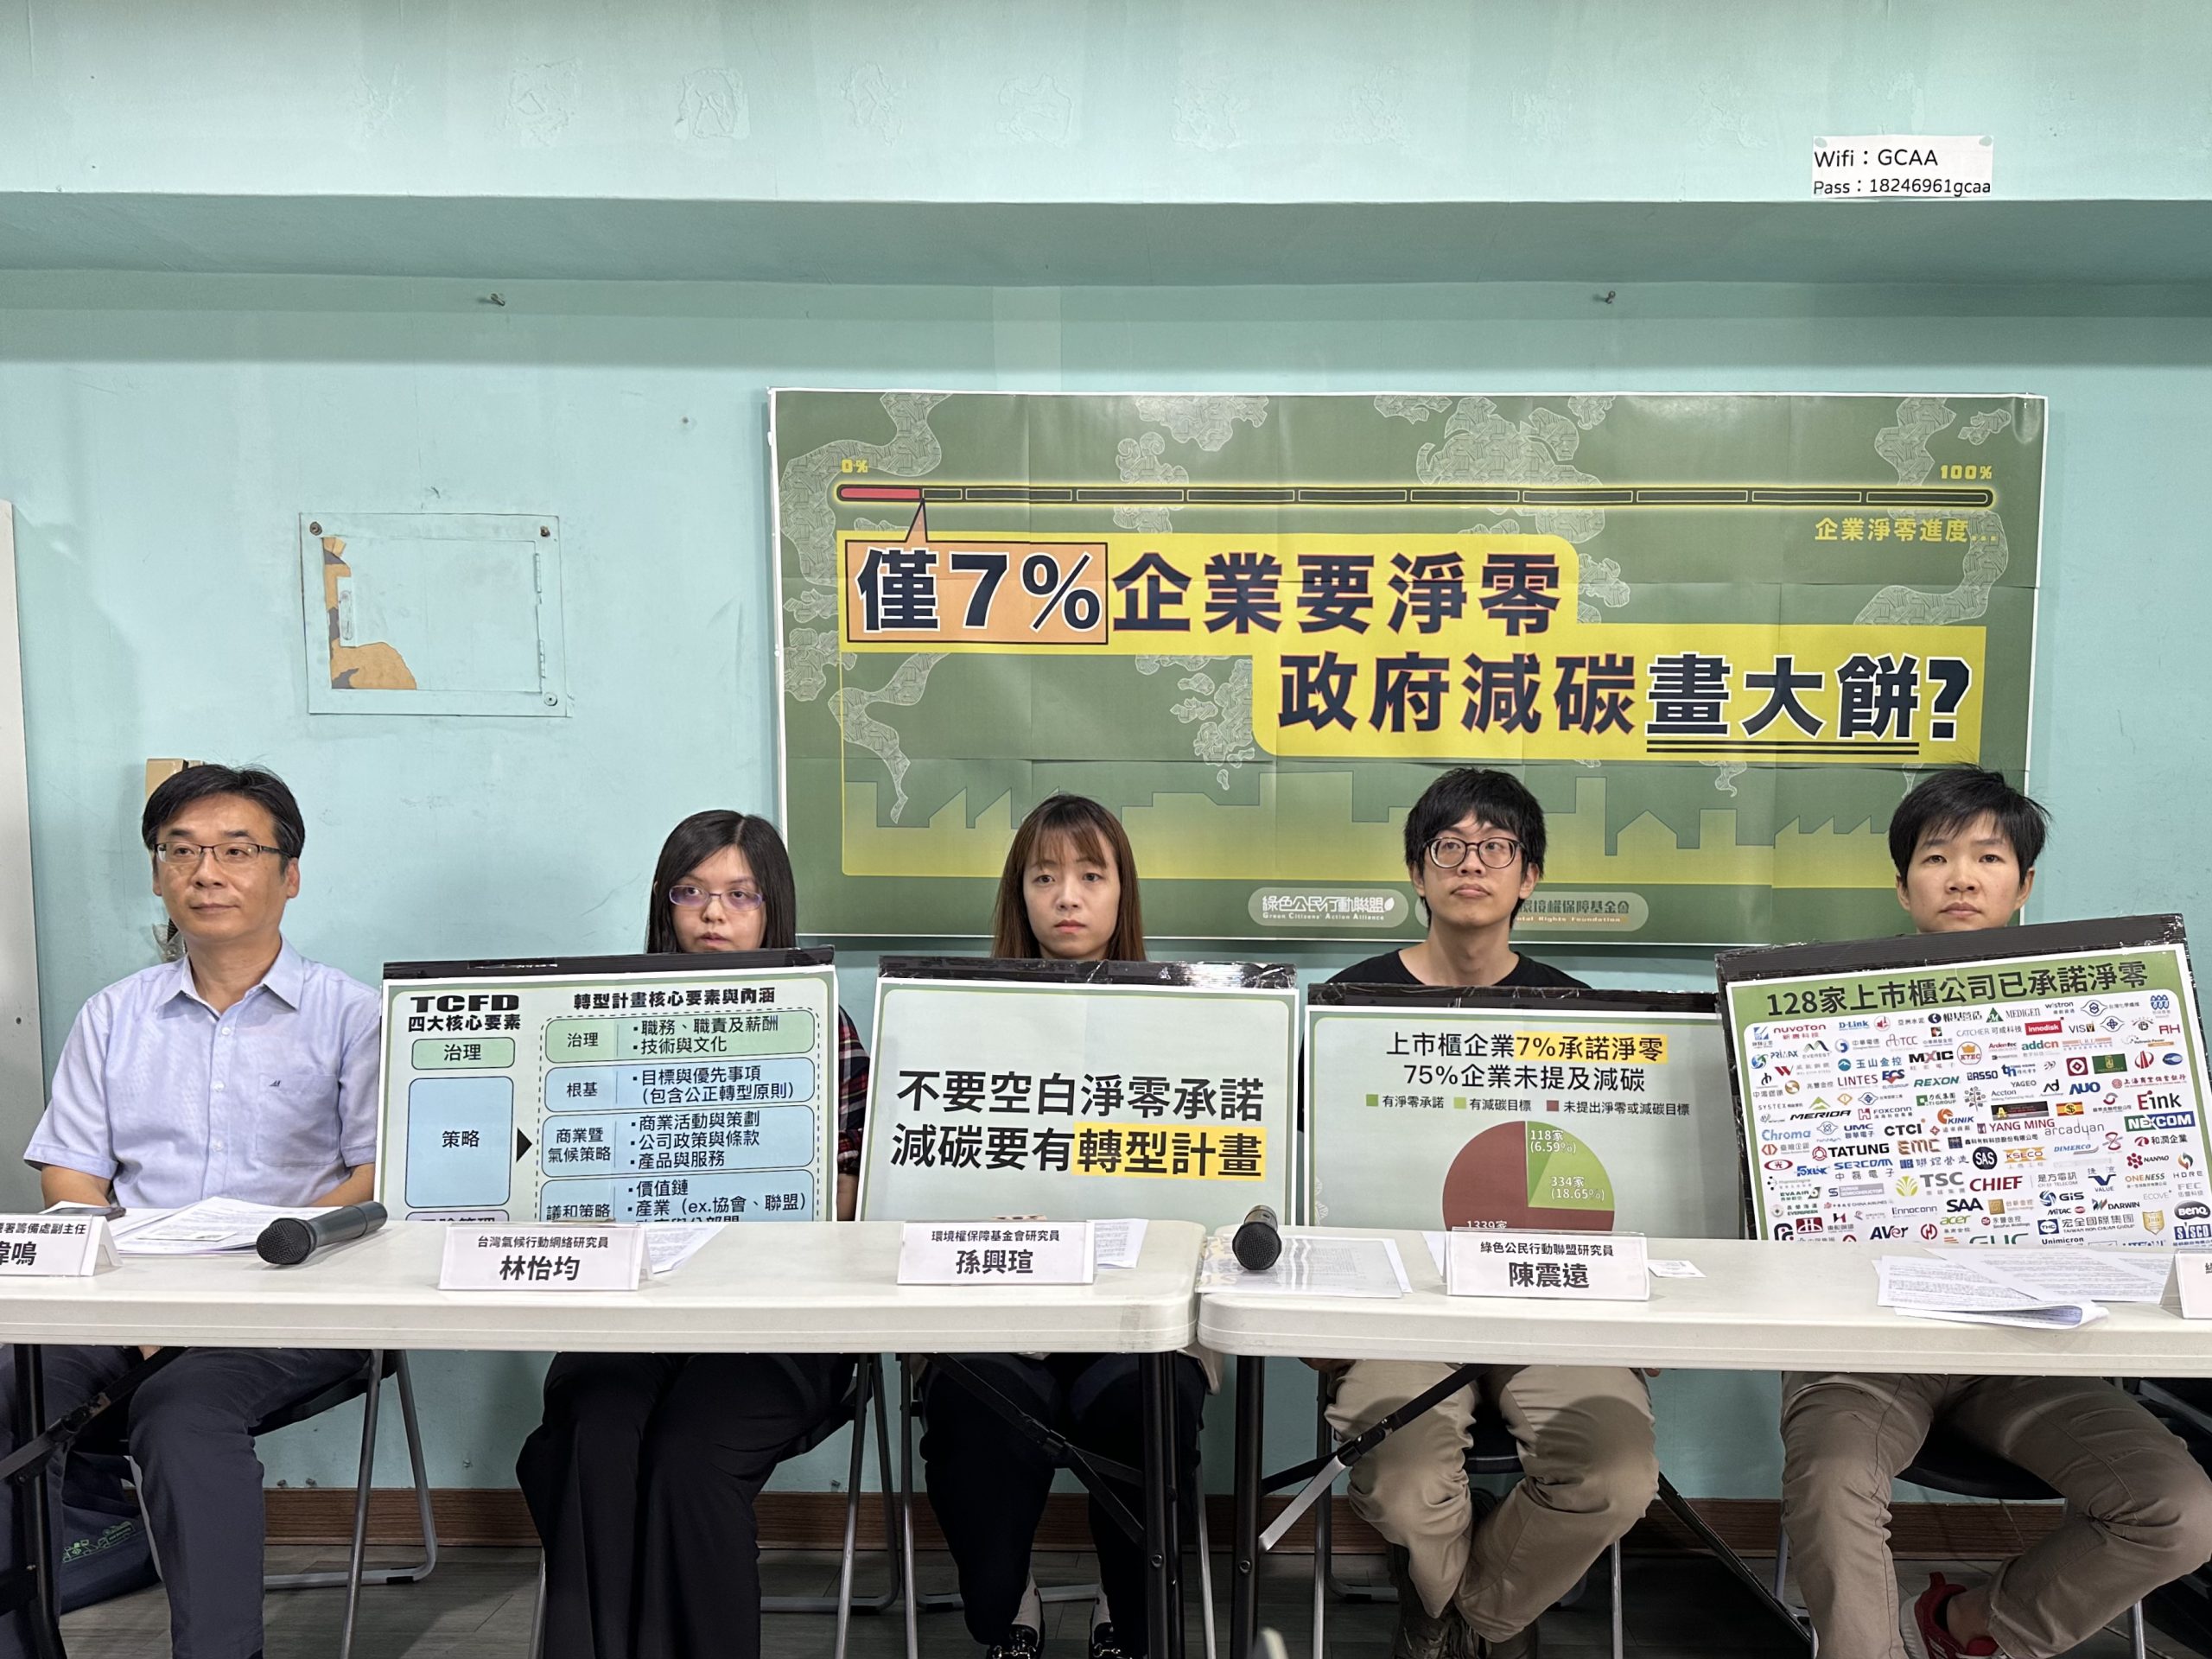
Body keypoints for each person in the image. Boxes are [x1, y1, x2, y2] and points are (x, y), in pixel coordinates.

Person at [1781, 766, 2212, 1659]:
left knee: (2179, 1510)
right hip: (1866, 1344)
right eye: (1936, 857)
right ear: (1903, 884)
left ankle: (1961, 1626)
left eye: (1988, 857)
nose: (1962, 878)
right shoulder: (1817, 1020)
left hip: (2030, 1350)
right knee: (1830, 1479)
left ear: (2024, 883)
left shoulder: (2101, 1015)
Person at [10, 763, 379, 1659]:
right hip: (130, 1299)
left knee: (181, 1417)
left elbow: (377, 1179)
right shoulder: (113, 1016)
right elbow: (71, 1172)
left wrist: (255, 1274)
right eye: (181, 851)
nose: (205, 872)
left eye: (236, 851)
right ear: (157, 874)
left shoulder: (353, 1016)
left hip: (296, 1301)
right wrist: (127, 1298)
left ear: (289, 875)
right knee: (14, 1388)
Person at [515, 810, 870, 1659]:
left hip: (778, 1323)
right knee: (593, 1436)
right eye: (691, 893)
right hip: (631, 1310)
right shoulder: (599, 1025)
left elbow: (864, 1191)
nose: (713, 913)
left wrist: (781, 1187)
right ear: (663, 905)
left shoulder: (824, 1028)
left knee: (689, 1458)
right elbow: (552, 1169)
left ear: (774, 908)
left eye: (740, 895)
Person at [1325, 767, 1659, 1659]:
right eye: (1449, 847)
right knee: (1402, 1484)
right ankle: (1487, 1621)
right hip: (1400, 1313)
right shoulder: (1346, 1009)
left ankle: (1461, 1615)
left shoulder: (1577, 1017)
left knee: (1617, 1473)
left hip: (1551, 1307)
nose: (1471, 864)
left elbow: (1626, 1186)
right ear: (1417, 871)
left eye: (1496, 847)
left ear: (1529, 877)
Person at [918, 794, 1205, 1659]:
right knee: (974, 1397)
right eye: (1044, 877)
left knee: (1148, 1399)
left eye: (1090, 875)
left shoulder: (1191, 1024)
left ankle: (1131, 1610)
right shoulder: (952, 1019)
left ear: (1123, 892)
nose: (1067, 896)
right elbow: (920, 1183)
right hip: (997, 1306)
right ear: (1020, 894)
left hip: (1134, 1314)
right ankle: (1008, 1604)